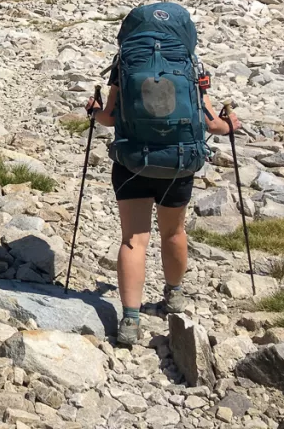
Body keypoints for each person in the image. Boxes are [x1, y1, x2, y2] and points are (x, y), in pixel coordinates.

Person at [87, 31, 240, 347]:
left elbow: (110, 118)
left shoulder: (125, 63)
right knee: (173, 232)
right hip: (178, 163)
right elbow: (212, 123)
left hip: (133, 163)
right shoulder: (192, 63)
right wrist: (231, 124)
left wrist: (93, 110)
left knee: (133, 240)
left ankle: (130, 320)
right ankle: (174, 296)